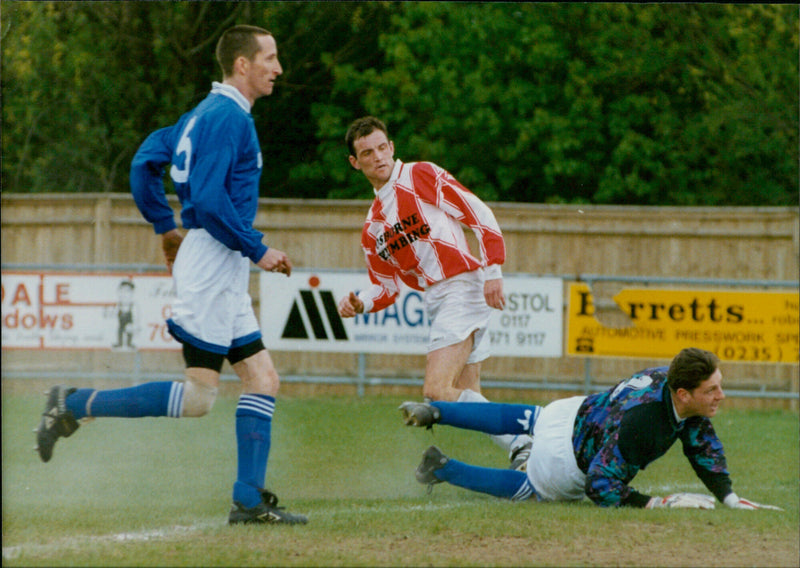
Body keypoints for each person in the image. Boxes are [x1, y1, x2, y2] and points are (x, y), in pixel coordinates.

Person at [35, 25, 307, 525]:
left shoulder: (199, 115)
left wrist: (165, 226)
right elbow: (206, 198)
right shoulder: (229, 118)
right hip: (213, 261)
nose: (278, 67)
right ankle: (73, 403)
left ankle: (248, 500)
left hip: (216, 261)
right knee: (200, 397)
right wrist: (257, 248)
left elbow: (144, 162)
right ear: (242, 65)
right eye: (269, 57)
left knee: (263, 378)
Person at [337, 116, 532, 470]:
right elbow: (385, 287)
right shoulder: (372, 228)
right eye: (367, 152)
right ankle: (531, 447)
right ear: (355, 162)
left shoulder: (419, 175)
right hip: (437, 300)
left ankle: (527, 437)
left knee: (437, 390)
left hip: (462, 287)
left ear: (392, 147)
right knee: (467, 393)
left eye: (383, 147)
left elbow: (479, 214)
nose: (378, 157)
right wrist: (359, 302)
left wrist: (493, 270)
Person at [399, 347, 782, 510]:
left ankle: (439, 413)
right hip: (567, 459)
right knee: (529, 488)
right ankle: (443, 468)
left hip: (570, 412)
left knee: (527, 417)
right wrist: (652, 504)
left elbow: (701, 446)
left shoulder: (668, 379)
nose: (722, 395)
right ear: (683, 394)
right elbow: (600, 485)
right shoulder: (646, 427)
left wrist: (728, 497)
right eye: (712, 389)